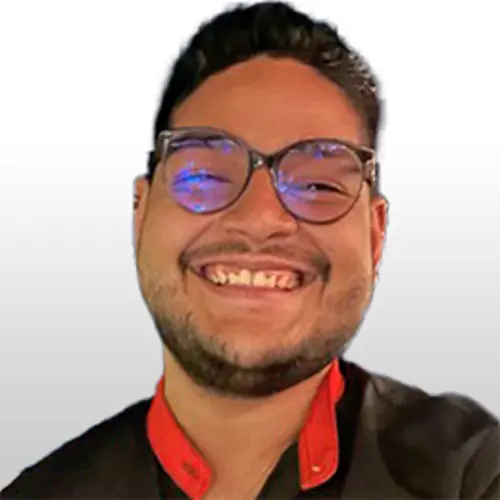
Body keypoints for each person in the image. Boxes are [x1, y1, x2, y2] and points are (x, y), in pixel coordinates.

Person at [2, 2, 499, 499]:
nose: (260, 218)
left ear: (375, 235)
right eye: (205, 177)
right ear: (141, 212)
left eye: (319, 185)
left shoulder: (470, 475)